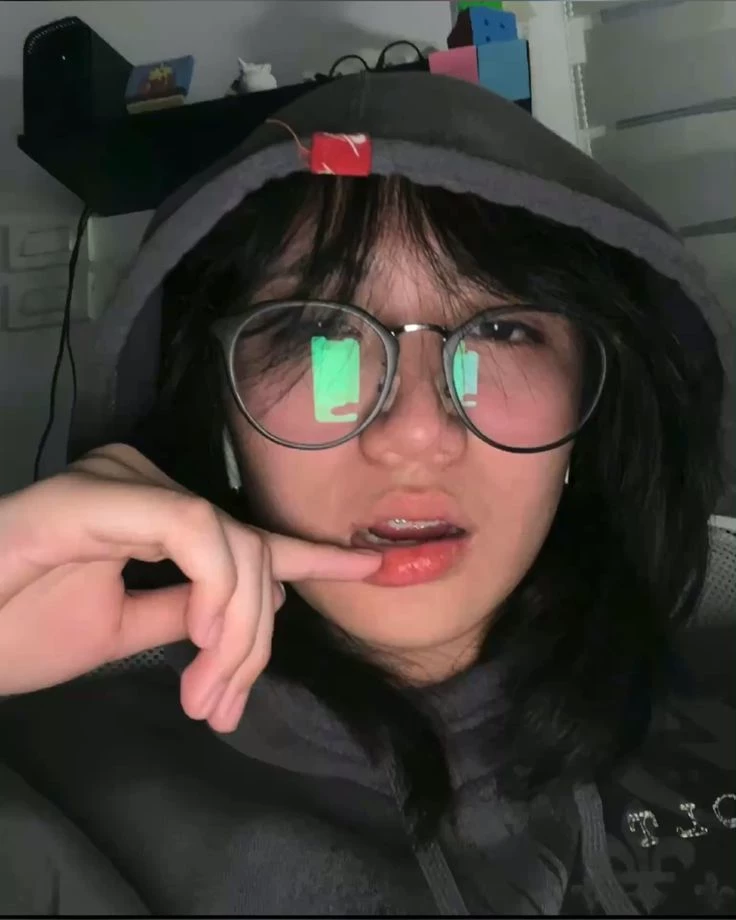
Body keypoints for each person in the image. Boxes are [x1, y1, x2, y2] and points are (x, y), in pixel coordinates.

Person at [0, 71, 733, 916]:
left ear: (586, 412)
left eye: (501, 329)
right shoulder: (60, 790)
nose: (416, 431)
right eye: (320, 331)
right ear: (220, 413)